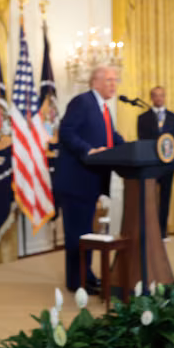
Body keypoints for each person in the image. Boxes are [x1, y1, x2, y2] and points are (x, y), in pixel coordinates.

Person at [56, 66, 125, 294]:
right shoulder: (82, 102)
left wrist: (130, 148)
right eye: (109, 80)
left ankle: (88, 274)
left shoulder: (103, 108)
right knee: (78, 234)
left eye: (115, 80)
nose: (114, 84)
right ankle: (77, 282)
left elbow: (110, 137)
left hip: (91, 182)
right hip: (76, 181)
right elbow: (66, 132)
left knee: (87, 233)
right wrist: (89, 150)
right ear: (95, 82)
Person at [136, 86, 174, 239]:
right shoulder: (143, 118)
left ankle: (162, 230)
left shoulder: (173, 117)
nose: (159, 98)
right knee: (150, 198)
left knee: (165, 198)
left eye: (161, 95)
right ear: (151, 98)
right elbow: (142, 142)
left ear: (165, 97)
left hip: (168, 165)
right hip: (151, 165)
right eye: (155, 96)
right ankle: (150, 230)